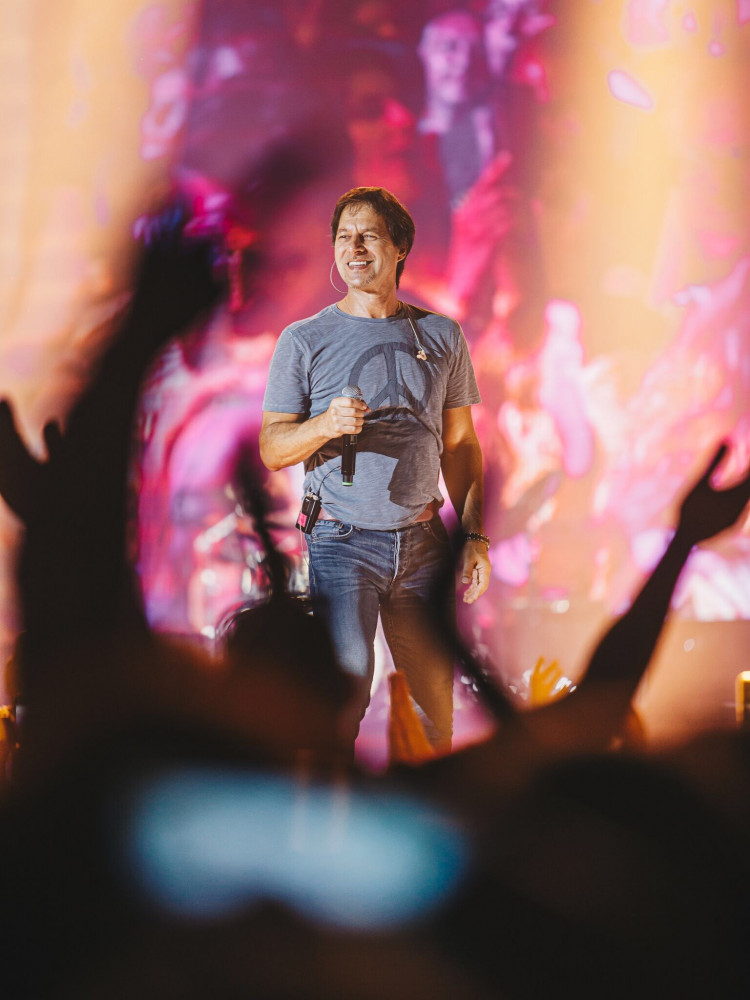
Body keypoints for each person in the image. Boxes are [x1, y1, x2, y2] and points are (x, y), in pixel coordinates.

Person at [260, 186, 491, 750]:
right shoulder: (304, 340)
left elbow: (461, 444)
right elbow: (272, 447)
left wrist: (474, 535)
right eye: (344, 237)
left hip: (423, 542)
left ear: (400, 246)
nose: (354, 248)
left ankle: (429, 797)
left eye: (368, 236)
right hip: (341, 542)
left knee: (434, 703)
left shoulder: (441, 334)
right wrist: (325, 424)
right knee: (345, 694)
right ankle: (330, 797)